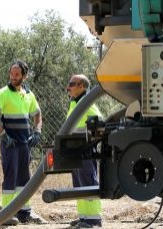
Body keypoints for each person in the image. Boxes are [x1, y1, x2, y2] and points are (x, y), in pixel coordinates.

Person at [0, 60, 46, 224]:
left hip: (25, 143)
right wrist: (3, 135)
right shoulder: (3, 93)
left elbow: (38, 115)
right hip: (10, 144)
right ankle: (6, 215)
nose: (13, 77)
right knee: (10, 178)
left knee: (24, 179)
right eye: (11, 74)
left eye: (17, 74)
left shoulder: (29, 94)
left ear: (24, 76)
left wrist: (37, 131)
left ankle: (25, 213)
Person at [66, 74, 103, 228]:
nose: (68, 87)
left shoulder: (87, 104)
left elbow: (100, 124)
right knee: (79, 184)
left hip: (85, 150)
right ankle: (84, 217)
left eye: (72, 84)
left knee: (88, 182)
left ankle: (93, 219)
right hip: (75, 150)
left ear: (82, 86)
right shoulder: (75, 103)